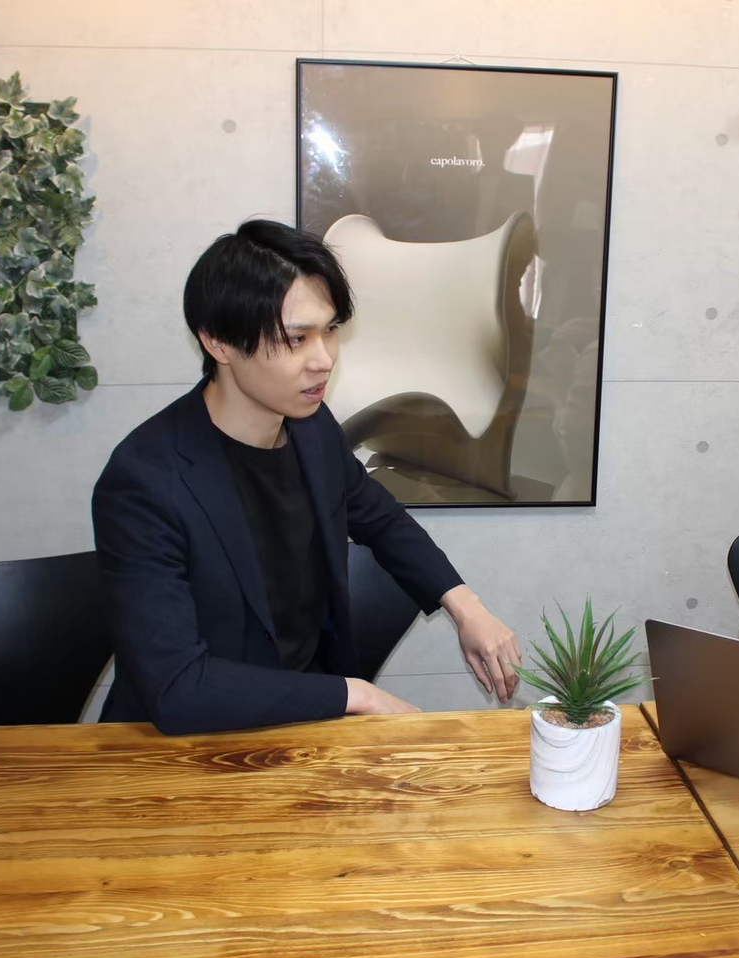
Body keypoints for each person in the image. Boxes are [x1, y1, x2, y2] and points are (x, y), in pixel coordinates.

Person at [92, 220, 522, 735]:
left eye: (331, 331)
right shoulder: (144, 480)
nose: (324, 360)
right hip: (185, 743)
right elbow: (179, 687)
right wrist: (355, 695)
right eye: (296, 338)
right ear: (218, 342)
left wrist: (467, 607)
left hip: (303, 723)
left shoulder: (312, 429)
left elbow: (381, 518)